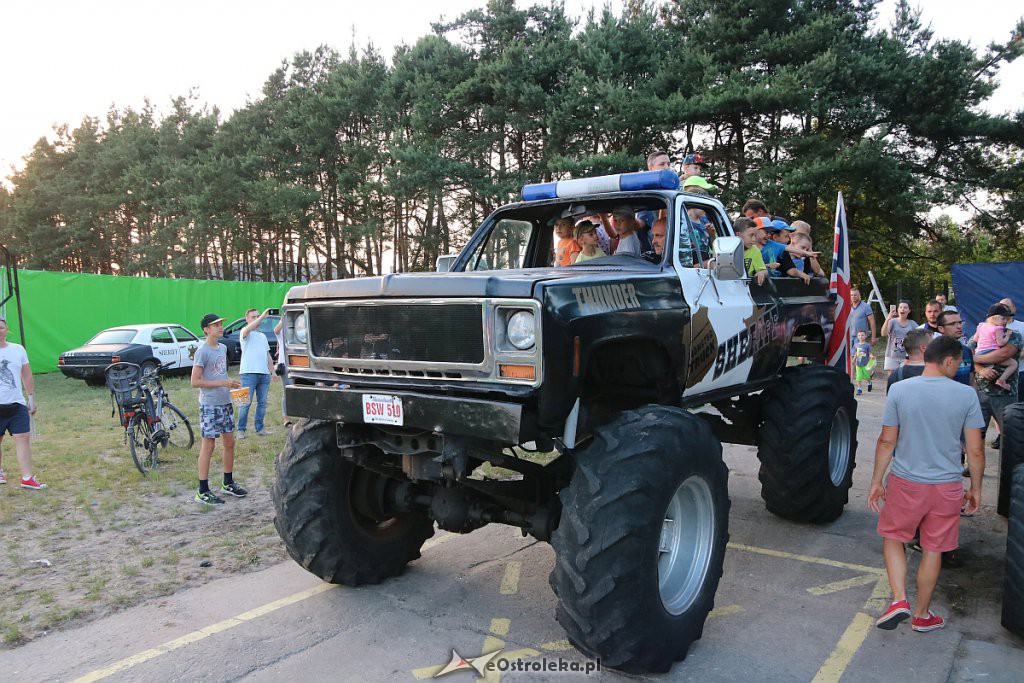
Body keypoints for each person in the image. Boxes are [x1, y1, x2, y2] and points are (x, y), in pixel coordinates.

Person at [869, 335, 985, 633]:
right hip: (946, 487)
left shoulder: (901, 390)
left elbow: (886, 441)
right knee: (933, 548)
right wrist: (976, 488)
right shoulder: (967, 395)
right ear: (948, 360)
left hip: (906, 482)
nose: (959, 368)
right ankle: (921, 615)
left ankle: (899, 600)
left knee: (894, 537)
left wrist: (876, 481)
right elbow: (975, 450)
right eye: (959, 362)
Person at [191, 314, 246, 505]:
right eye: (216, 325)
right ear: (206, 329)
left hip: (225, 402)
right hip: (209, 404)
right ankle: (202, 490)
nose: (220, 327)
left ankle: (227, 482)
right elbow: (195, 381)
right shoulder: (202, 351)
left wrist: (231, 385)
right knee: (209, 445)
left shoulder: (222, 348)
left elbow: (220, 373)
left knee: (229, 442)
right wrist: (222, 382)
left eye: (221, 324)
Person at [0, 319, 45, 490]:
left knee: (23, 438)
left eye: (1, 327)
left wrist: (31, 398)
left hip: (16, 404)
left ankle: (27, 477)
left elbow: (26, 374)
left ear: (6, 330)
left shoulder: (17, 349)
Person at [237, 308, 276, 438]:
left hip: (263, 374)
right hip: (248, 373)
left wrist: (273, 372)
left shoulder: (262, 336)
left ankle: (260, 428)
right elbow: (249, 329)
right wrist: (263, 317)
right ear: (247, 319)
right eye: (253, 317)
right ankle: (241, 430)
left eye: (258, 316)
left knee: (262, 403)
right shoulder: (245, 332)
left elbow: (267, 355)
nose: (257, 319)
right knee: (245, 403)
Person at [971, 303, 1018, 391]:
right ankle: (1001, 380)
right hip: (991, 352)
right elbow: (1001, 343)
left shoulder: (981, 326)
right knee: (1013, 364)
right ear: (994, 317)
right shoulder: (998, 328)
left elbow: (975, 339)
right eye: (1003, 318)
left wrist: (976, 357)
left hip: (979, 352)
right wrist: (1007, 336)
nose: (1005, 321)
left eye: (1006, 319)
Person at [886, 327, 932, 391]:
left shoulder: (895, 375)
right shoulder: (937, 374)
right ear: (923, 348)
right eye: (933, 344)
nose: (936, 347)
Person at [935, 310, 974, 386]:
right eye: (953, 324)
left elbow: (971, 381)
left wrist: (974, 397)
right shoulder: (934, 352)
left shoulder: (966, 350)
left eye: (960, 322)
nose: (959, 326)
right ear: (941, 329)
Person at [881, 301, 917, 379]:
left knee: (904, 379)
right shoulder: (892, 321)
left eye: (905, 307)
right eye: (900, 307)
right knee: (892, 379)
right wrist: (887, 319)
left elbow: (919, 336)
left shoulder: (912, 324)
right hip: (892, 355)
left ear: (909, 310)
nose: (902, 309)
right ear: (897, 310)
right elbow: (883, 333)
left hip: (906, 357)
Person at [999, 297, 1024, 401]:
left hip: (1020, 372)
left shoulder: (1022, 326)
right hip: (999, 373)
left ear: (1014, 308)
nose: (1005, 310)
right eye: (1001, 307)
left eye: (1007, 307)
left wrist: (1013, 358)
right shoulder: (991, 327)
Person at [735, 217, 768, 286]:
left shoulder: (755, 250)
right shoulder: (726, 248)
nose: (754, 240)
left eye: (755, 236)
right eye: (751, 235)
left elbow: (763, 270)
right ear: (738, 235)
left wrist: (762, 273)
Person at [853, 330, 874, 395]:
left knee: (866, 377)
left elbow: (870, 353)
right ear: (857, 336)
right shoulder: (856, 345)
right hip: (858, 364)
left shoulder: (867, 345)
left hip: (865, 364)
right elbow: (856, 353)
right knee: (858, 377)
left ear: (865, 336)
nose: (861, 337)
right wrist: (854, 359)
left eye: (862, 335)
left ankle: (869, 383)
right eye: (859, 335)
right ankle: (859, 389)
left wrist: (871, 356)